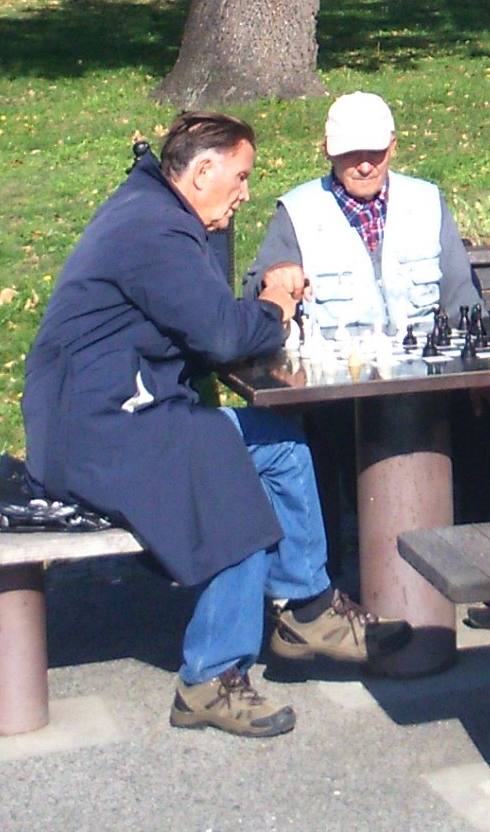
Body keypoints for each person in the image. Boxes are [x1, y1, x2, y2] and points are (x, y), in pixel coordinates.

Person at [22, 112, 369, 740]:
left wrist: (246, 295)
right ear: (203, 170)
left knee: (281, 444)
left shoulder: (159, 212)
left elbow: (208, 317)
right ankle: (209, 678)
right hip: (93, 432)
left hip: (126, 413)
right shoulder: (152, 228)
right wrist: (276, 308)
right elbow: (220, 335)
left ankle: (308, 607)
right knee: (220, 467)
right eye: (240, 177)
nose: (245, 194)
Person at [242, 90, 481, 335]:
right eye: (351, 154)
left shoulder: (426, 202)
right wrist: (273, 277)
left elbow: (462, 299)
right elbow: (253, 300)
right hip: (336, 357)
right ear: (328, 151)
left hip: (423, 353)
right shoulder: (297, 211)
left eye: (375, 153)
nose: (365, 167)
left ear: (392, 146)